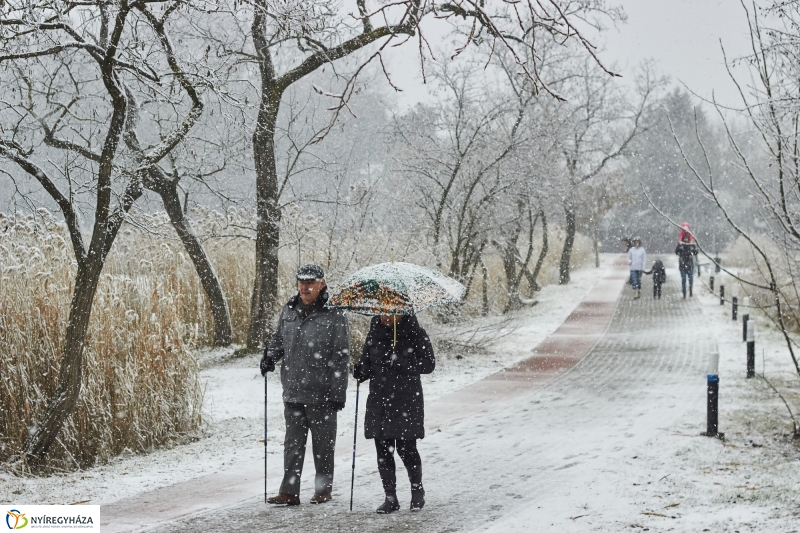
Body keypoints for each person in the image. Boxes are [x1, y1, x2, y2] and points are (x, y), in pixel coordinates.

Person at [260, 264, 350, 505]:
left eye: (310, 282)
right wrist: (269, 357)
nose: (305, 286)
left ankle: (323, 490)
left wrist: (338, 391)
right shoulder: (288, 310)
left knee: (323, 446)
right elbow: (279, 339)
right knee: (292, 446)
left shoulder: (334, 314)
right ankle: (289, 492)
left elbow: (341, 356)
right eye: (301, 282)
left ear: (322, 284)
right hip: (293, 391)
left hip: (322, 394)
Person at [353, 313, 435, 514]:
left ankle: (417, 490)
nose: (386, 315)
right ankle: (390, 497)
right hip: (379, 401)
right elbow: (367, 363)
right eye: (382, 310)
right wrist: (360, 371)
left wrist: (401, 362)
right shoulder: (374, 333)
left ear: (402, 311)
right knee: (383, 451)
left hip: (406, 400)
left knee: (407, 449)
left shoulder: (415, 333)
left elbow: (428, 364)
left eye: (392, 310)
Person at [675, 234, 698, 298]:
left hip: (690, 266)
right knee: (684, 280)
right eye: (684, 238)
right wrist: (679, 246)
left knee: (691, 280)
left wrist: (694, 245)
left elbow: (696, 252)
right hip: (682, 266)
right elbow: (676, 252)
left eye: (687, 238)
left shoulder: (691, 245)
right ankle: (684, 293)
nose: (685, 240)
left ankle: (690, 290)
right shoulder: (681, 245)